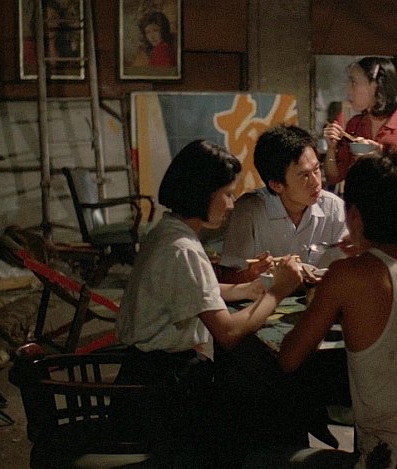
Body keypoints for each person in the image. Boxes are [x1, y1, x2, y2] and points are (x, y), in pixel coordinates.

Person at [276, 149, 397, 469]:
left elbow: (289, 359)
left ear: (354, 215)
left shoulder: (346, 275)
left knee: (263, 457)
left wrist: (284, 289)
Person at [113, 140, 303, 462]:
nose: (231, 204)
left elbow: (194, 290)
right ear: (202, 193)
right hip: (163, 392)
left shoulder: (168, 231)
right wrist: (277, 291)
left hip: (150, 375)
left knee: (258, 396)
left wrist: (249, 288)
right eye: (227, 194)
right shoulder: (183, 249)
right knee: (270, 410)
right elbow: (227, 333)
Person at [219, 125, 350, 283]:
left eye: (316, 170)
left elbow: (349, 267)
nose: (316, 182)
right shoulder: (249, 210)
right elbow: (227, 276)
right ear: (276, 185)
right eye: (304, 176)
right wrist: (249, 274)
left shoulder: (333, 207)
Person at [322, 56, 397, 194]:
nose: (348, 89)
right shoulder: (355, 125)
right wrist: (331, 148)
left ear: (376, 86)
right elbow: (333, 177)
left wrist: (383, 156)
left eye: (353, 82)